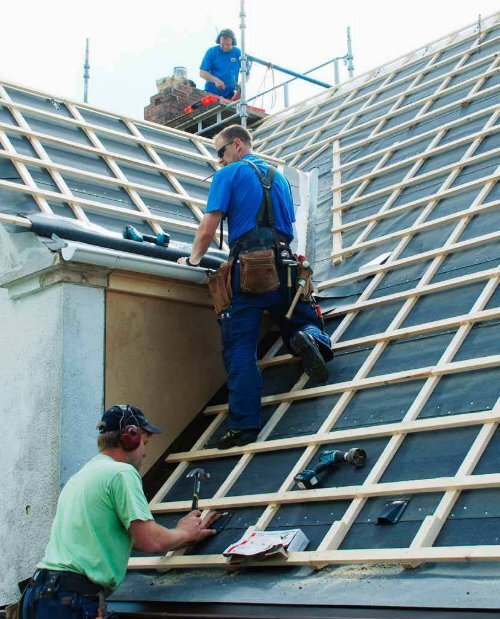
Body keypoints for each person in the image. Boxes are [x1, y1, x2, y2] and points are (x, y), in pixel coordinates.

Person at [178, 125, 333, 450]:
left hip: (251, 269)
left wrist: (193, 260)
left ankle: (244, 426)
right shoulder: (279, 178)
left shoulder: (229, 174)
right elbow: (287, 228)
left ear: (236, 145)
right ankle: (310, 339)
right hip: (287, 266)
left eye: (220, 152)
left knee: (239, 346)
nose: (218, 161)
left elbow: (209, 226)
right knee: (305, 319)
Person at [20, 404, 217, 618]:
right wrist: (185, 533)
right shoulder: (121, 473)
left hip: (42, 595)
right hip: (70, 600)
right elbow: (152, 540)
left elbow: (133, 539)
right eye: (144, 442)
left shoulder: (83, 475)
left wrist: (177, 536)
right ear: (130, 437)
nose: (144, 452)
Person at [199, 28, 248, 100]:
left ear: (233, 43)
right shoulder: (211, 52)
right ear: (219, 41)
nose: (225, 47)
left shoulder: (238, 53)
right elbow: (202, 73)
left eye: (228, 45)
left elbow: (247, 74)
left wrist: (241, 84)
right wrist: (216, 80)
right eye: (222, 44)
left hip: (230, 96)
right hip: (211, 93)